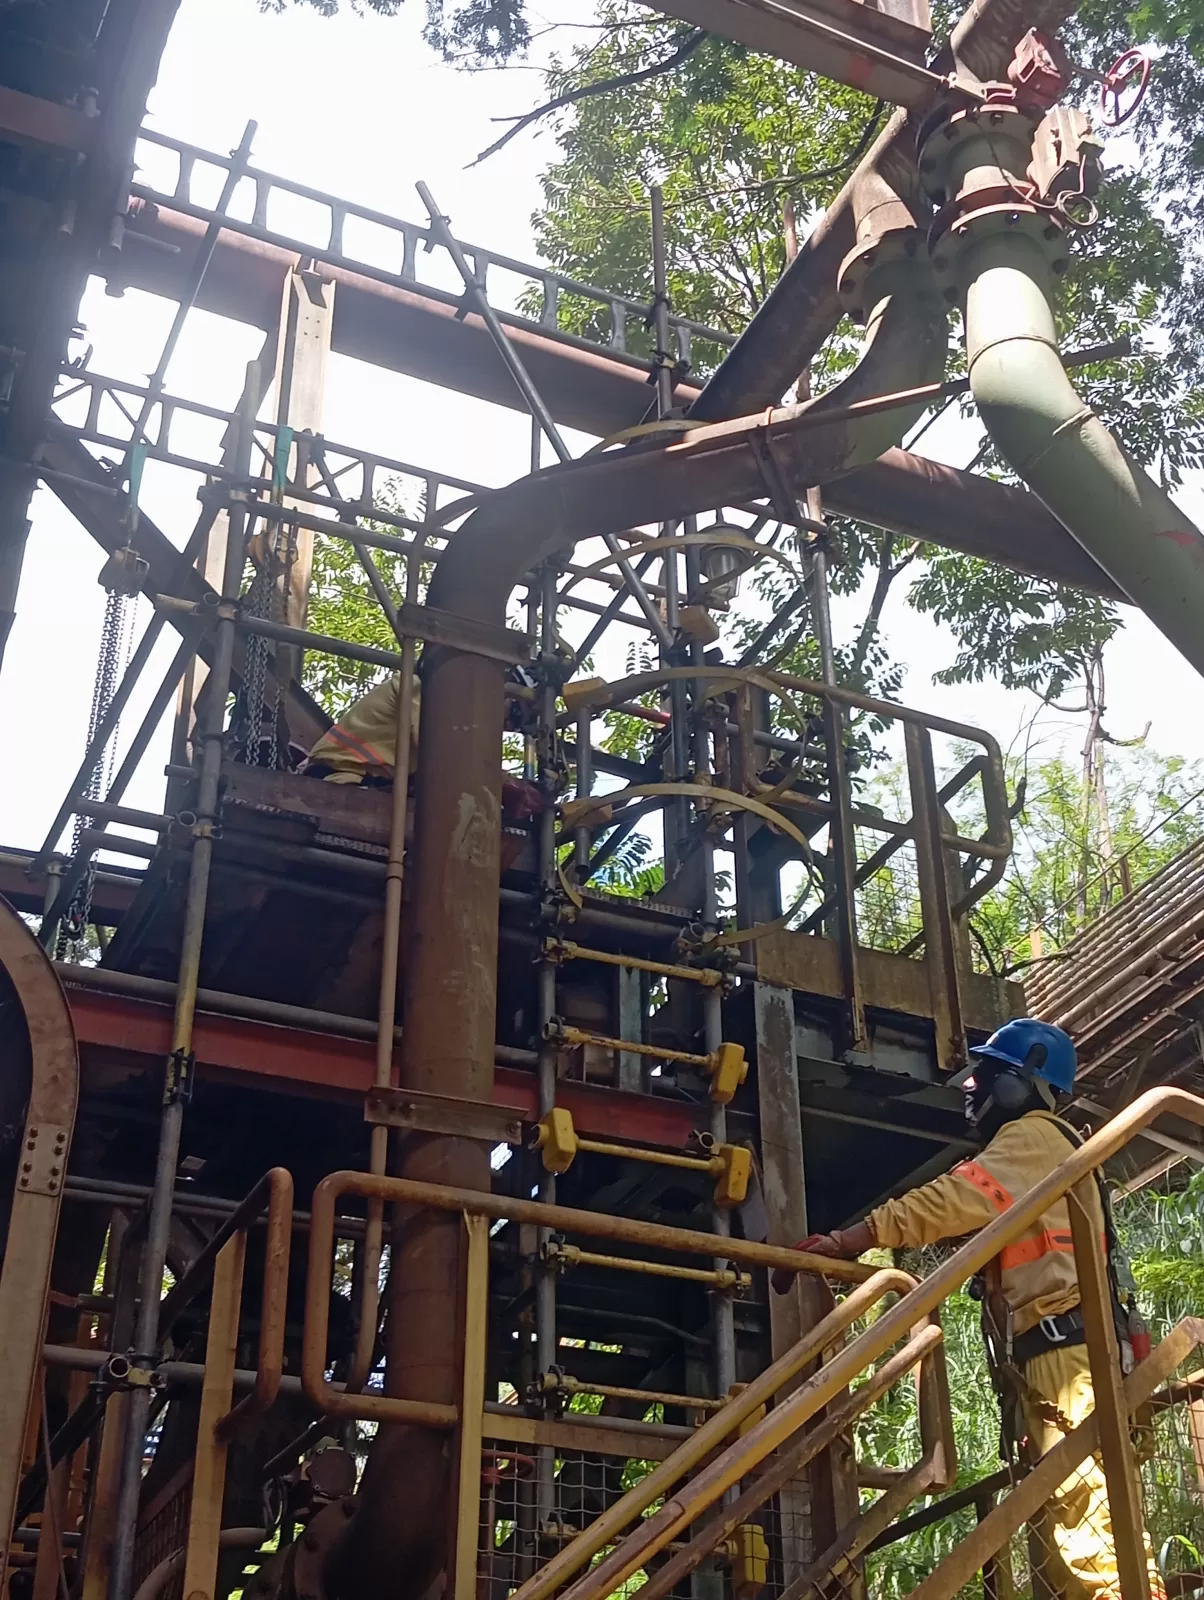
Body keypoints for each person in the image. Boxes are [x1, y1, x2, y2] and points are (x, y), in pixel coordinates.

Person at [774, 1018, 1163, 1600]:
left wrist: (852, 1238)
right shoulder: (1043, 1147)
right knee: (1075, 1523)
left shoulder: (1034, 1136)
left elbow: (956, 1198)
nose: (970, 1085)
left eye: (986, 1073)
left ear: (1021, 1083)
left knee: (1089, 1523)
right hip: (1059, 1348)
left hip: (1066, 1351)